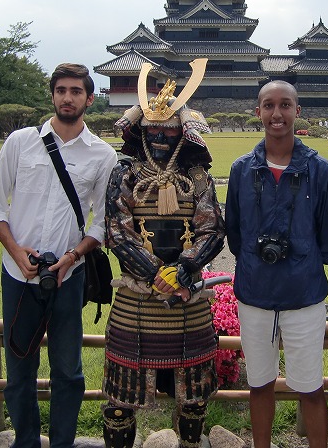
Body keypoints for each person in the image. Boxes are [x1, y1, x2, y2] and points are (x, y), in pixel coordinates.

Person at [0, 63, 117, 448]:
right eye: (61, 90)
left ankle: (62, 443)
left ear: (90, 99)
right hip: (17, 274)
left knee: (68, 370)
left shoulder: (101, 155)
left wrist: (74, 256)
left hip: (67, 277)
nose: (68, 97)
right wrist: (15, 251)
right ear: (52, 95)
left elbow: (102, 224)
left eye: (76, 91)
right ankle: (25, 441)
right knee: (19, 368)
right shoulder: (20, 142)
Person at [102, 59, 226, 448]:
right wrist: (157, 272)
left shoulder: (198, 178)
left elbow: (213, 230)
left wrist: (185, 267)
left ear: (181, 133)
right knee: (120, 403)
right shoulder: (125, 174)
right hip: (136, 297)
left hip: (187, 298)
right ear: (139, 130)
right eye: (151, 128)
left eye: (167, 129)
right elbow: (116, 232)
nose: (158, 135)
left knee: (193, 401)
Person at [226, 80, 328, 448]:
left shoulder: (320, 171)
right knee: (259, 384)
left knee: (310, 388)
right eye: (269, 105)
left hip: (304, 296)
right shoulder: (242, 170)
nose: (277, 114)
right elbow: (235, 231)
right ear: (257, 111)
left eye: (285, 105)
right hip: (254, 294)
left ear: (298, 110)